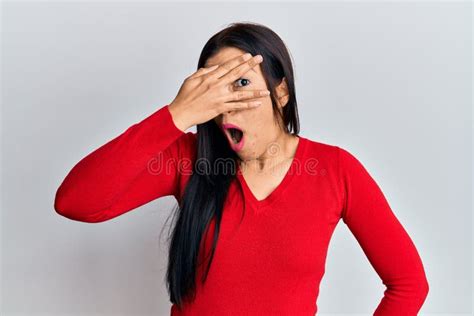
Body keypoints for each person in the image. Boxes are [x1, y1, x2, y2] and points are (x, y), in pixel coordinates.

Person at [54, 22, 429, 315]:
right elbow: (77, 202)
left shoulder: (336, 170)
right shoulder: (188, 159)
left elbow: (409, 283)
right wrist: (177, 114)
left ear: (280, 92)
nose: (226, 104)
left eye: (242, 84)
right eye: (214, 89)